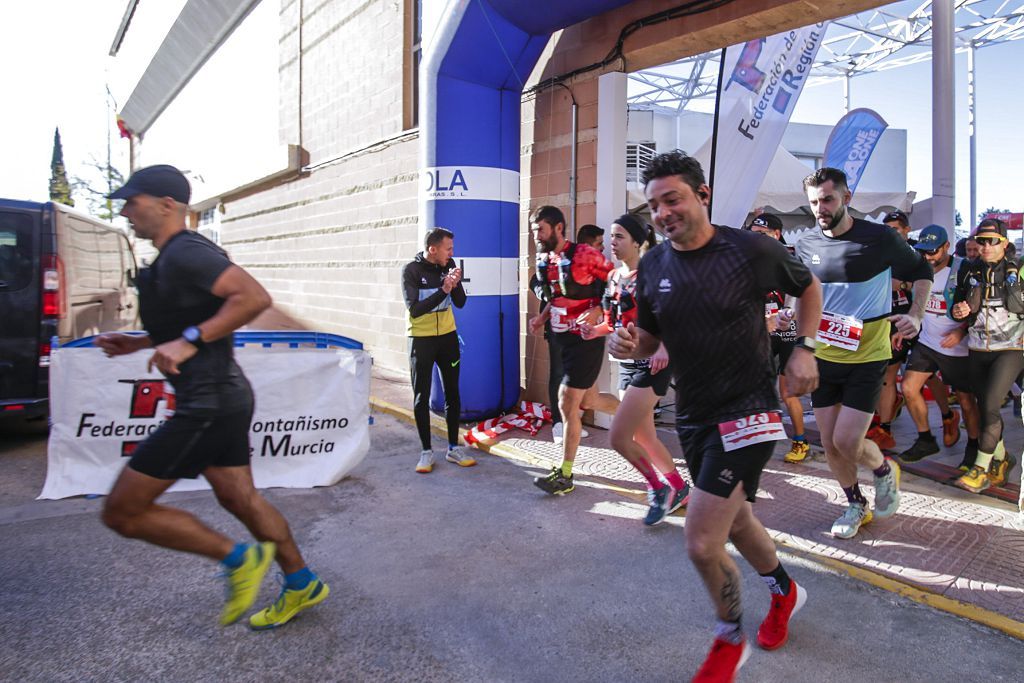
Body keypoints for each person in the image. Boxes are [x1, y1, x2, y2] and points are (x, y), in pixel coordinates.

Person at [609, 151, 823, 681]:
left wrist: (805, 346)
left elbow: (808, 287)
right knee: (739, 518)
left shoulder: (750, 250)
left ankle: (730, 637)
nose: (662, 212)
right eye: (654, 204)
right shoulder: (654, 265)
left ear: (702, 196)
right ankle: (785, 590)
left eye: (673, 198)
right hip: (695, 414)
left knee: (703, 540)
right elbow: (654, 340)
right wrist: (629, 345)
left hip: (749, 410)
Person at [97, 164, 328, 630]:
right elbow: (197, 315)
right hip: (221, 397)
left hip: (208, 401)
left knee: (123, 510)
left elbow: (252, 297)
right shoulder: (170, 258)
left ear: (167, 205)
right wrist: (141, 342)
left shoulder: (187, 251)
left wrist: (188, 340)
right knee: (240, 499)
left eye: (132, 201)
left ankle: (238, 559)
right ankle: (301, 582)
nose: (125, 212)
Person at [796, 168, 932, 540]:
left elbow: (922, 271)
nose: (821, 208)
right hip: (824, 356)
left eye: (827, 199)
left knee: (847, 441)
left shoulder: (880, 238)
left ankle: (884, 469)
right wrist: (797, 339)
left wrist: (916, 315)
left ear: (846, 197)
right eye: (813, 202)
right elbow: (806, 295)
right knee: (829, 443)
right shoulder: (807, 244)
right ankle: (855, 502)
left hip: (868, 356)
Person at [579, 213, 690, 525]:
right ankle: (680, 489)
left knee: (618, 436)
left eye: (619, 237)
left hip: (652, 363)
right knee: (644, 437)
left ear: (638, 242)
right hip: (627, 364)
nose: (612, 243)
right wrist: (594, 330)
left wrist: (666, 347)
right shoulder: (614, 277)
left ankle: (658, 490)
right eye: (611, 237)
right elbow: (612, 323)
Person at [528, 206, 617, 495]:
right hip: (561, 337)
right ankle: (632, 414)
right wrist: (539, 320)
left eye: (540, 229)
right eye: (533, 231)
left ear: (558, 228)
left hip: (586, 338)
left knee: (567, 401)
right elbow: (556, 297)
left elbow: (614, 285)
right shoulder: (545, 261)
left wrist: (596, 311)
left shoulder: (585, 255)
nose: (536, 236)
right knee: (590, 400)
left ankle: (565, 475)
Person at [867, 210, 957, 451]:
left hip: (920, 322)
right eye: (887, 229)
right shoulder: (879, 253)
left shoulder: (918, 255)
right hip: (891, 321)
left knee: (928, 377)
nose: (890, 234)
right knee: (890, 374)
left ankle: (948, 416)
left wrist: (903, 285)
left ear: (906, 230)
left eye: (895, 229)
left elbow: (926, 284)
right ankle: (884, 427)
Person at [896, 225, 980, 466]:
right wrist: (905, 329)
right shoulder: (918, 269)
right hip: (927, 342)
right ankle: (925, 439)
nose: (928, 257)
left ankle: (973, 447)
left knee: (966, 400)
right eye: (923, 252)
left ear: (947, 247)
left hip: (957, 348)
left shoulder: (964, 269)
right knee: (909, 388)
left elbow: (977, 307)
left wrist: (961, 330)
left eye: (933, 251)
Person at [951, 218, 1023, 492]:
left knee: (991, 405)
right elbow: (956, 304)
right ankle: (1002, 460)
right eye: (980, 241)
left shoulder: (1020, 268)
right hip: (977, 348)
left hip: (1012, 348)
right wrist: (958, 311)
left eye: (991, 240)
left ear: (1004, 242)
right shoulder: (968, 269)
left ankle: (981, 468)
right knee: (985, 408)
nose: (985, 246)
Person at [401, 228, 476, 472]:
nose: (452, 253)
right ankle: (426, 452)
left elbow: (461, 303)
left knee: (452, 393)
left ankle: (453, 448)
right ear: (433, 249)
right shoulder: (411, 270)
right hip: (420, 340)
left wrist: (454, 285)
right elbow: (415, 309)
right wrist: (442, 289)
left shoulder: (449, 265)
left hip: (447, 338)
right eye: (448, 249)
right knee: (422, 396)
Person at [747, 212, 810, 463]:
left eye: (761, 234)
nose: (755, 239)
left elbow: (799, 293)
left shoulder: (789, 257)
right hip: (763, 329)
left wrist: (785, 316)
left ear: (776, 234)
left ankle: (801, 440)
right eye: (753, 234)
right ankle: (756, 437)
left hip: (786, 331)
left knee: (788, 392)